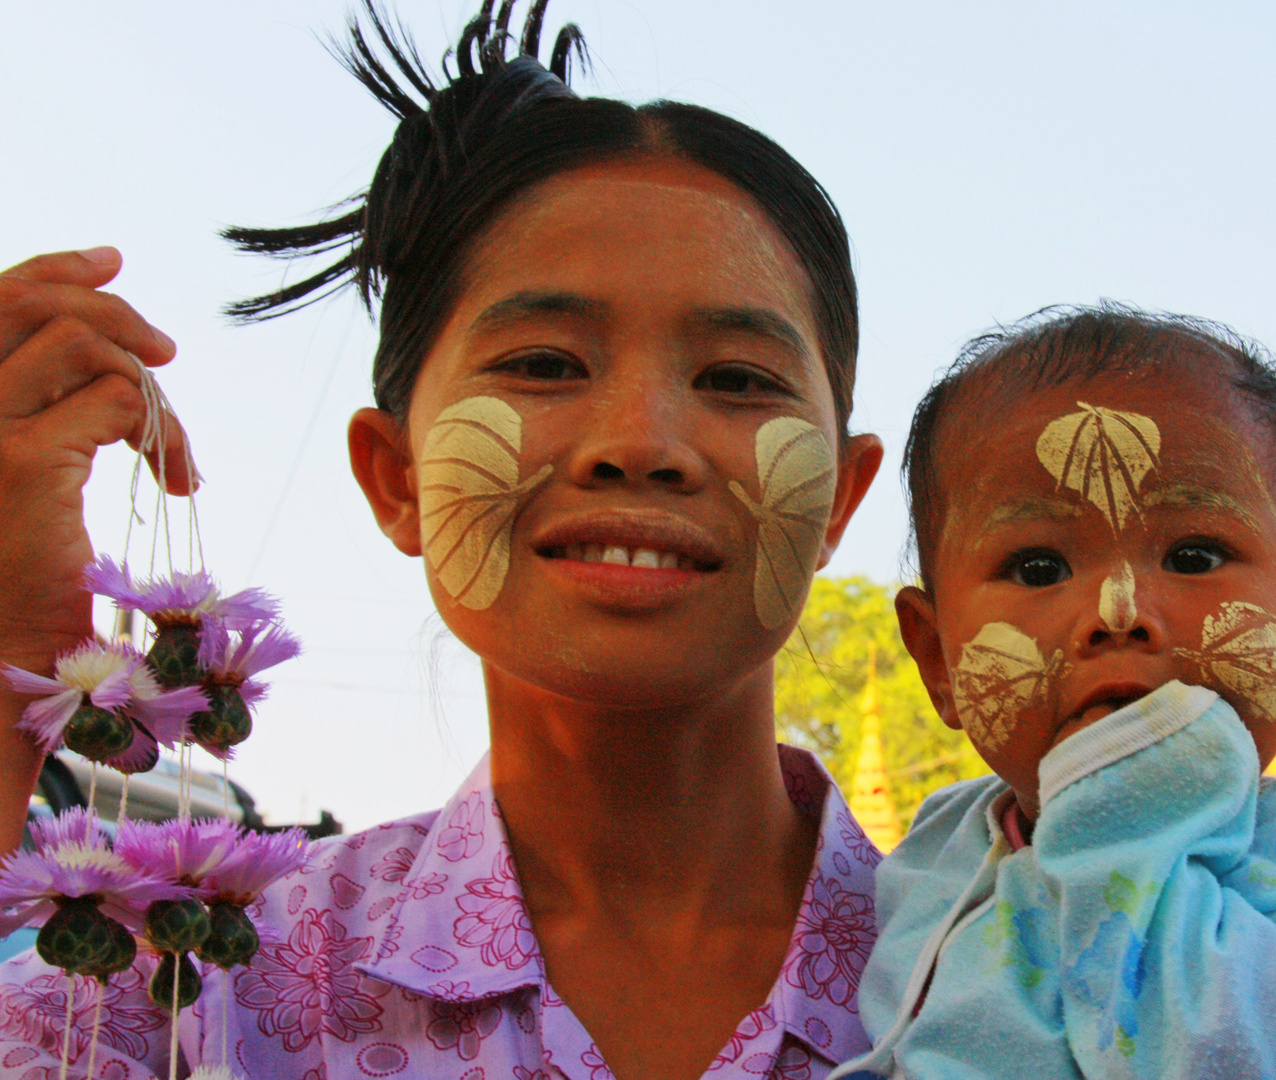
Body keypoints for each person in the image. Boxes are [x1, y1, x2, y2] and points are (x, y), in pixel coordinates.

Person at [0, 3, 887, 1078]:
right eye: (546, 364)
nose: (642, 444)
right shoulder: (200, 981)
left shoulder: (1023, 969)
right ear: (397, 478)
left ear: (840, 496)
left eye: (738, 381)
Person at [835, 305, 1276, 1079]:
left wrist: (1136, 825)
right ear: (937, 658)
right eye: (1039, 569)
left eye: (1193, 554)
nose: (1119, 612)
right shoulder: (931, 870)